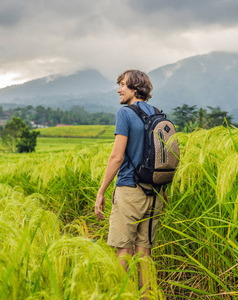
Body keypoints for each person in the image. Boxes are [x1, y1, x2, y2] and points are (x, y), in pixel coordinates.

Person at [95, 69, 167, 296]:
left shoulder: (125, 114)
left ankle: (123, 295)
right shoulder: (158, 114)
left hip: (130, 191)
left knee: (123, 251)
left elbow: (117, 157)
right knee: (144, 254)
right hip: (154, 193)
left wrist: (101, 191)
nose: (118, 89)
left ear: (135, 88)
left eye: (123, 85)